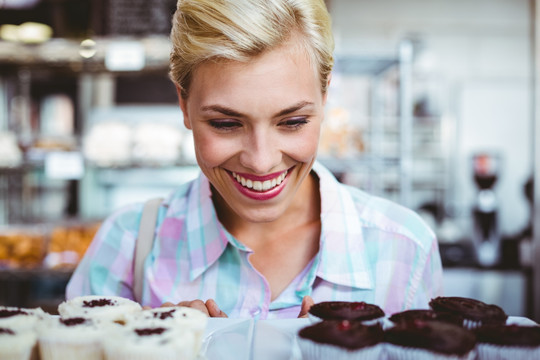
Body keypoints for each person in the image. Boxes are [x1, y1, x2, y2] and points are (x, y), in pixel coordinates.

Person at [66, 0, 443, 319]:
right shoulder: (127, 245)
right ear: (183, 103)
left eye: (293, 122)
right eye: (226, 123)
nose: (261, 162)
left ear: (325, 97)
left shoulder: (405, 250)